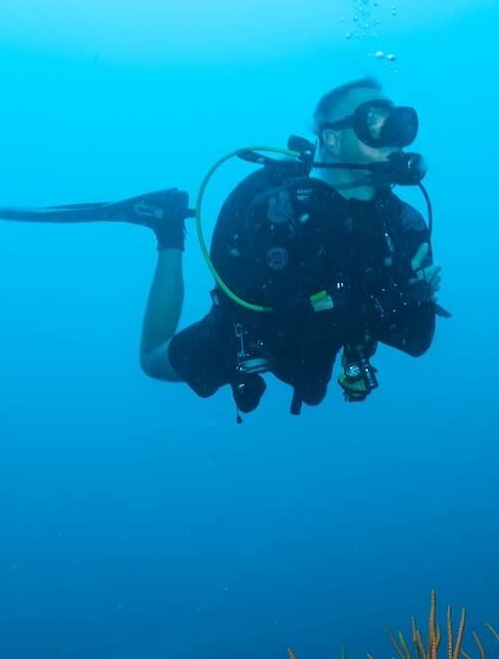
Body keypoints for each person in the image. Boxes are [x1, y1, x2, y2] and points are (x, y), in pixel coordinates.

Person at [137, 77, 443, 415]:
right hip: (251, 336)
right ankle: (168, 229)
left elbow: (416, 340)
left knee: (313, 384)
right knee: (152, 361)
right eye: (375, 121)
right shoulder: (280, 210)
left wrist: (414, 298)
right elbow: (285, 328)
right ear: (331, 138)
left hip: (318, 349)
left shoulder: (404, 222)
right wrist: (396, 298)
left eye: (397, 124)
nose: (393, 137)